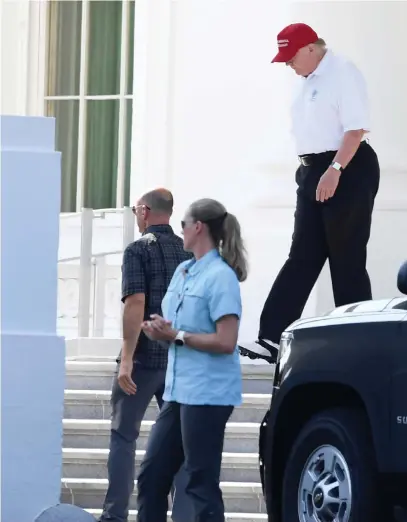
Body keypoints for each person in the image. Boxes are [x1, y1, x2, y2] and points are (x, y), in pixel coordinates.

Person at [240, 22, 380, 364]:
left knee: (345, 255)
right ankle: (272, 337)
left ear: (311, 49)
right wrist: (312, 172)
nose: (289, 64)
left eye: (291, 57)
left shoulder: (342, 72)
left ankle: (359, 341)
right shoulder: (305, 80)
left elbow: (355, 129)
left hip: (347, 167)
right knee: (302, 253)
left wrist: (335, 170)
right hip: (312, 170)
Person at [134, 198, 248, 522]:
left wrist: (177, 336)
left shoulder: (221, 276)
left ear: (197, 227)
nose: (180, 230)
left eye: (183, 224)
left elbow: (226, 341)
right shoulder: (185, 271)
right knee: (152, 477)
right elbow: (175, 327)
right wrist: (158, 330)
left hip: (208, 394)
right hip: (177, 391)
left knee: (200, 483)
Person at [98, 188, 192, 522]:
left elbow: (135, 302)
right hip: (180, 363)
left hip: (142, 361)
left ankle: (115, 516)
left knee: (124, 437)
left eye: (136, 209)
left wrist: (125, 358)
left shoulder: (138, 250)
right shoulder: (189, 253)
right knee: (179, 443)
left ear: (145, 211)